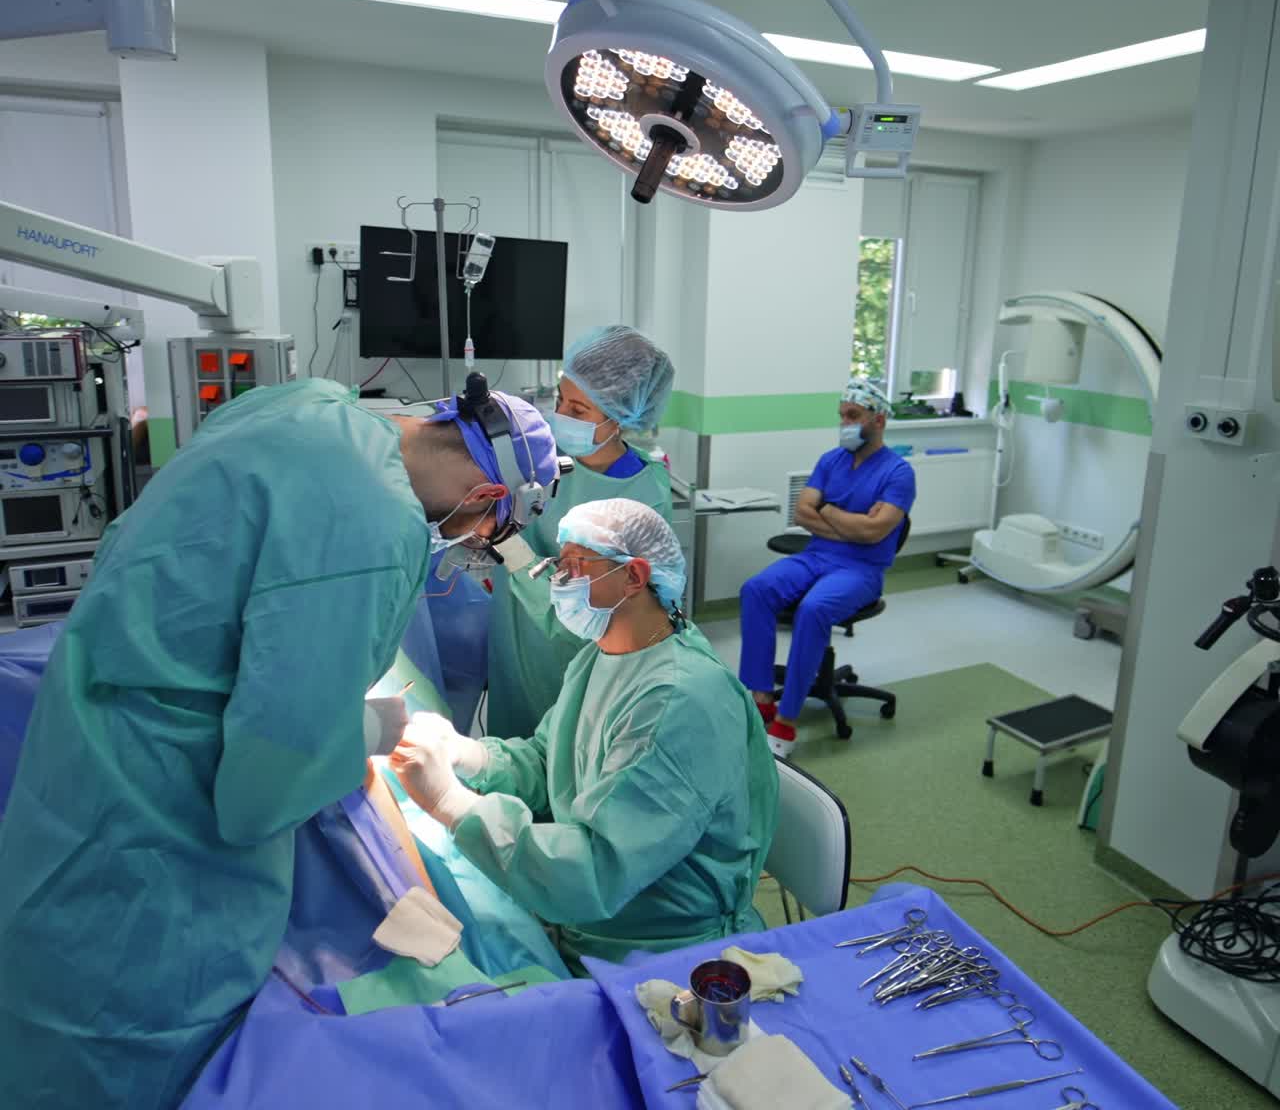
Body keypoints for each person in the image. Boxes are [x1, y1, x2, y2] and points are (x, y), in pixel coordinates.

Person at [0, 376, 558, 1110]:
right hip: (159, 807)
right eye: (483, 533)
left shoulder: (300, 402)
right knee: (120, 1027)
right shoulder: (380, 523)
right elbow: (265, 783)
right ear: (486, 500)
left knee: (43, 966)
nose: (464, 542)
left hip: (86, 726)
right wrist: (373, 730)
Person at [392, 498, 779, 972]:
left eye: (576, 566)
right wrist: (473, 756)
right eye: (561, 564)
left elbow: (598, 869)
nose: (559, 580)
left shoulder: (679, 699)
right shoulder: (606, 656)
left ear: (635, 577)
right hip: (600, 924)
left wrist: (455, 806)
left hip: (662, 952)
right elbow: (548, 756)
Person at [487, 324, 675, 739]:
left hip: (584, 659)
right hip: (515, 641)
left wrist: (511, 550)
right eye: (560, 401)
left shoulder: (644, 495)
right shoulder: (540, 458)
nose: (561, 417)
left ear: (621, 415)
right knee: (509, 753)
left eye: (578, 410)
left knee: (566, 757)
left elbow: (588, 608)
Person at [738, 378, 916, 757]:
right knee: (756, 590)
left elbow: (873, 534)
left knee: (815, 608)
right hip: (815, 556)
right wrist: (848, 524)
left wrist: (829, 510)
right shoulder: (829, 461)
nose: (845, 424)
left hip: (862, 570)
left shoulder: (899, 474)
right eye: (841, 416)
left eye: (853, 415)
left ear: (879, 420)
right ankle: (760, 697)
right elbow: (802, 513)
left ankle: (786, 722)